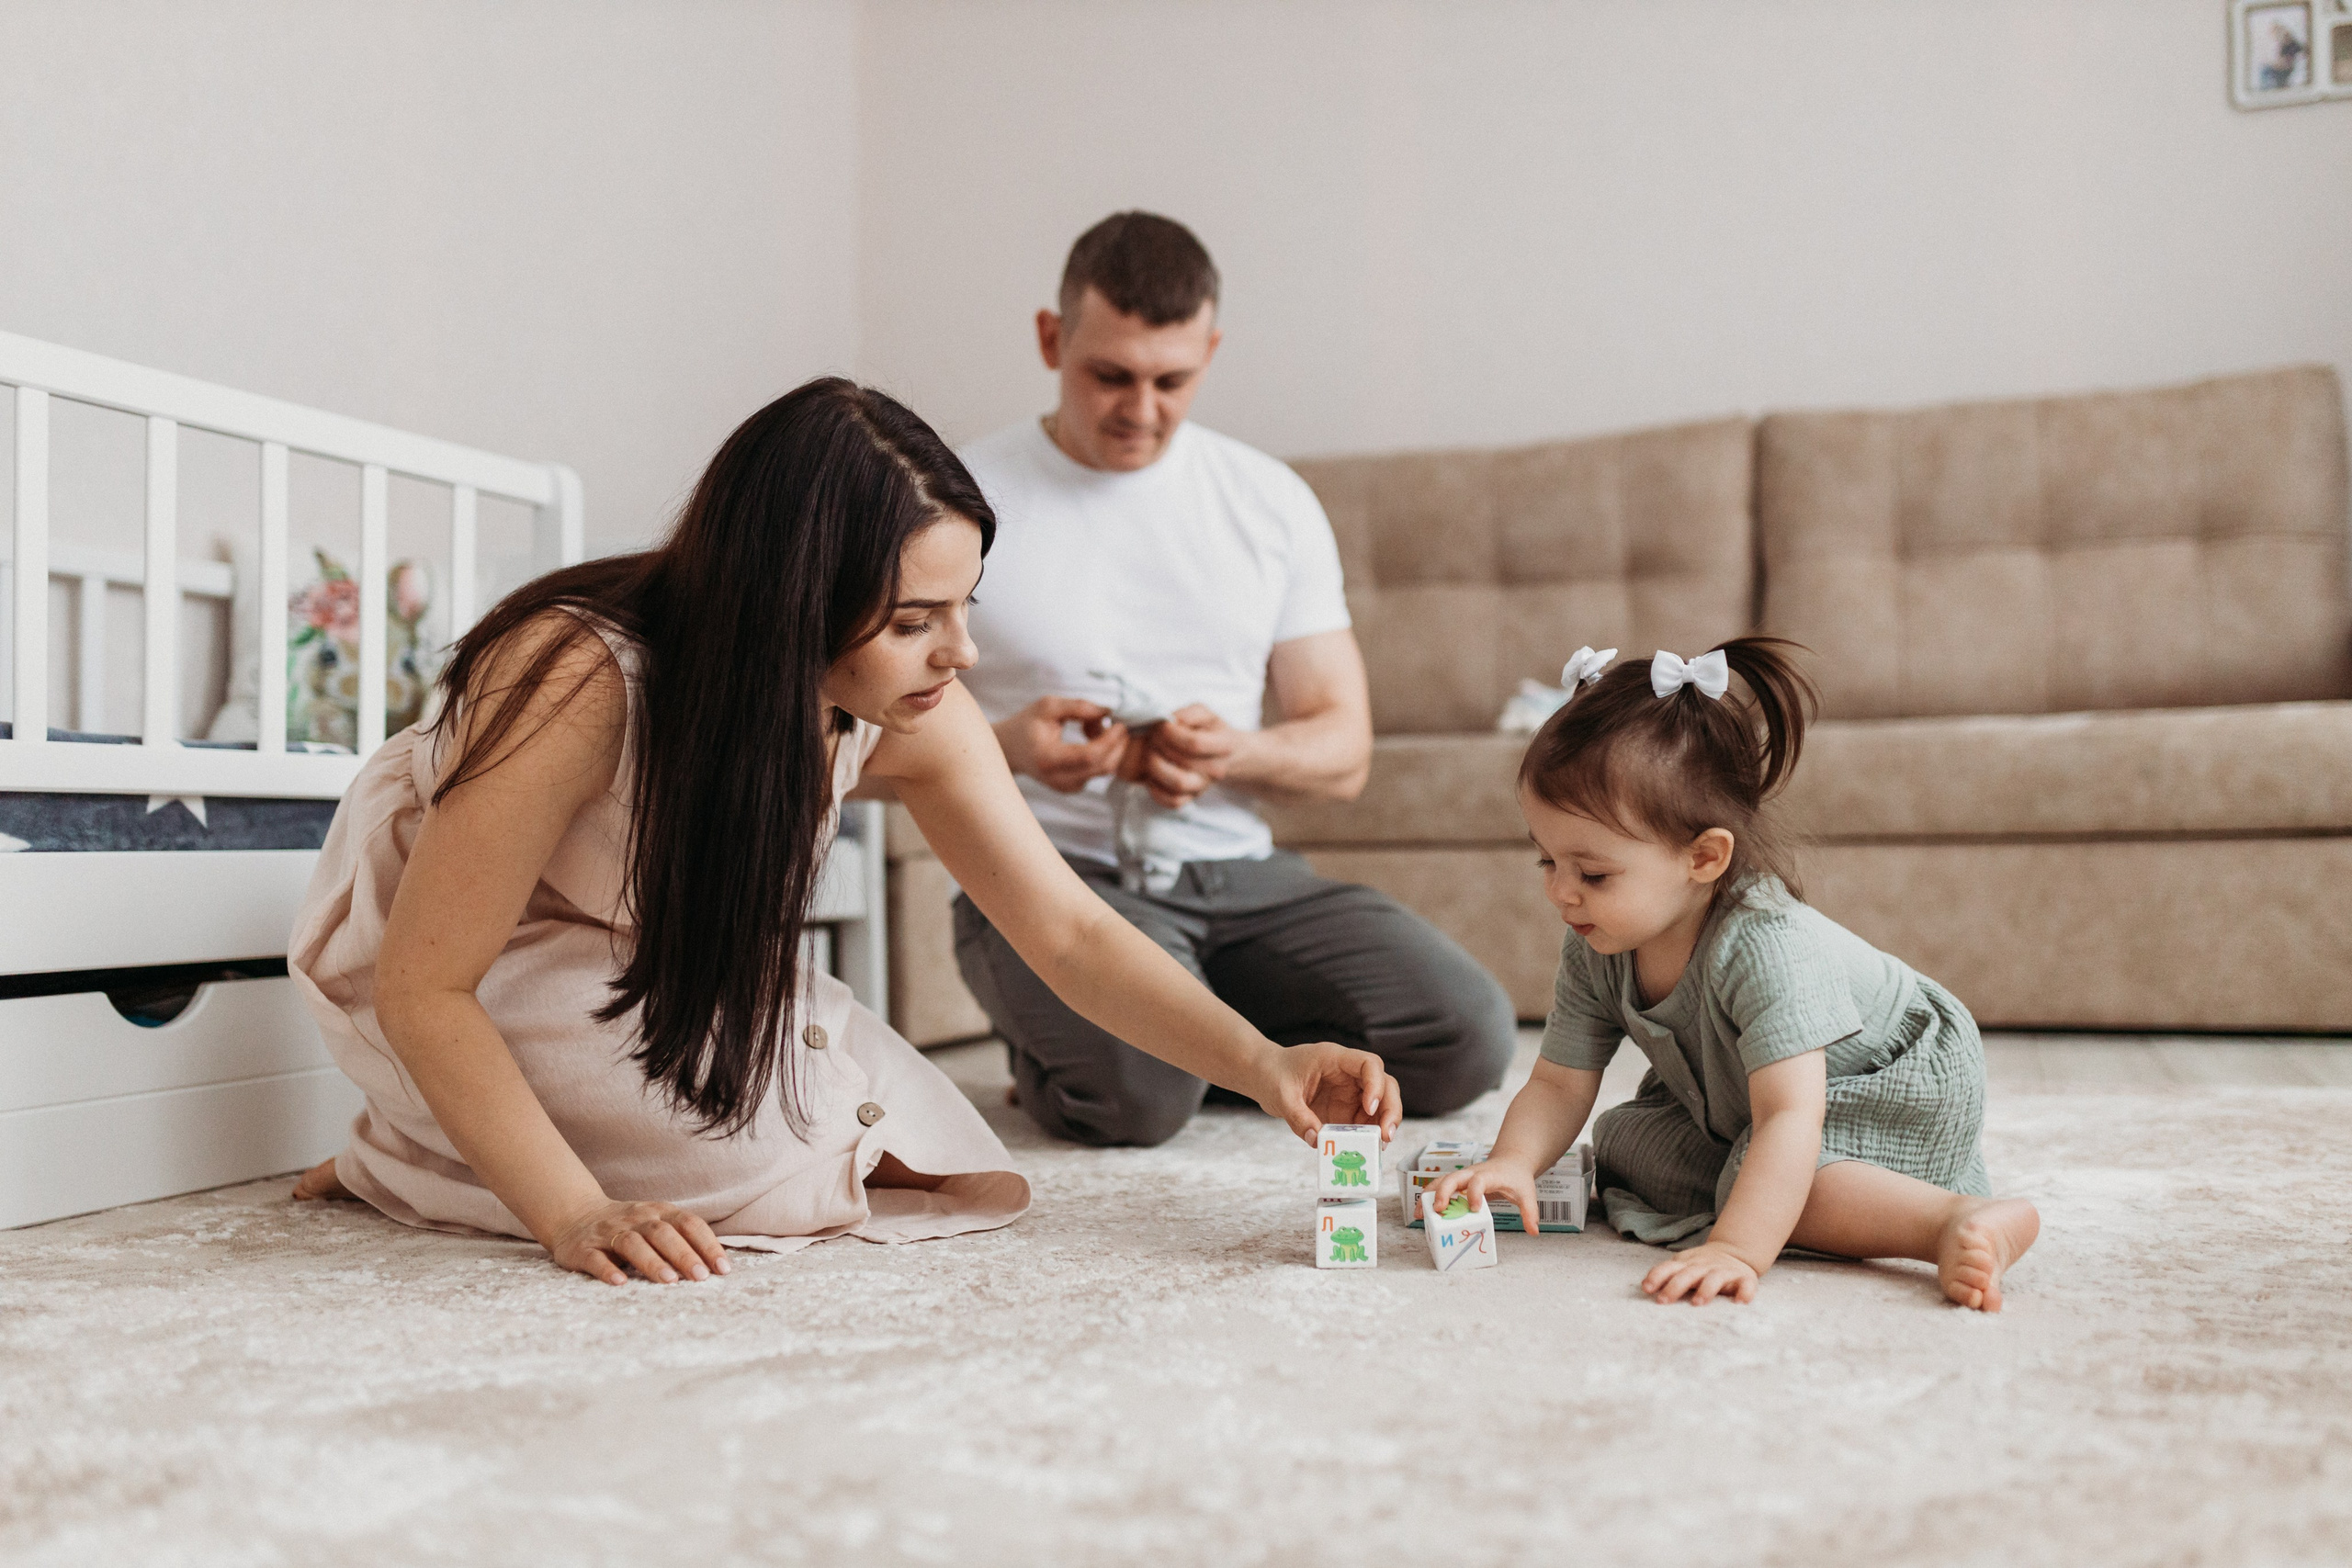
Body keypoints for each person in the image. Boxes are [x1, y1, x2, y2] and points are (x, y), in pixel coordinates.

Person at [288, 378, 1401, 1286]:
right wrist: (571, 1215)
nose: (961, 653)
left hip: (647, 952)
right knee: (739, 1167)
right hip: (472, 960)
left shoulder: (911, 710)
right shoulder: (577, 677)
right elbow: (424, 986)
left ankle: (445, 1146)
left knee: (904, 1144)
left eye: (966, 606)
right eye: (916, 621)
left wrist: (1263, 1063)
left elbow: (1063, 931)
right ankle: (413, 1152)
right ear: (789, 606)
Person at [956, 210, 1517, 1147]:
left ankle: (1192, 1037)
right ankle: (1127, 1047)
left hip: (1241, 879)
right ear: (1052, 340)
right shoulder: (961, 501)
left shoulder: (1269, 502)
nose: (1141, 409)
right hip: (1054, 877)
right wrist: (1010, 748)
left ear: (1211, 351)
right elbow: (872, 721)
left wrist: (1233, 751)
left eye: (1171, 379)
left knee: (1468, 1041)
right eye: (1110, 376)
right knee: (1134, 1103)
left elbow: (1342, 748)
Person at [1431, 640, 2041, 1311]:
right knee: (1628, 1153)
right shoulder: (1595, 942)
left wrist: (1739, 1247)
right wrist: (1514, 1159)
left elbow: (1788, 1117)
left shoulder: (1766, 944)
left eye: (1592, 872)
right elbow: (1557, 1082)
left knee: (1770, 1184)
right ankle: (1795, 1195)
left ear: (1704, 857)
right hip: (1742, 1093)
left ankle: (1948, 1219)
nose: (1562, 893)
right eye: (1545, 861)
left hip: (1885, 1078)